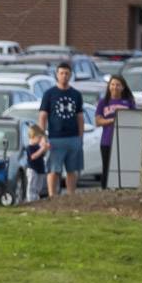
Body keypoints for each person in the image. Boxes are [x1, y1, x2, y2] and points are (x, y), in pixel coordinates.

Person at [38, 62, 84, 198]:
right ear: (57, 75)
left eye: (67, 73)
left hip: (73, 138)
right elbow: (42, 116)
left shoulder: (76, 94)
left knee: (72, 170)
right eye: (61, 73)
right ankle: (52, 196)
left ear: (70, 75)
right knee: (53, 170)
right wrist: (42, 137)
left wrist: (80, 138)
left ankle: (70, 196)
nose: (64, 76)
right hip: (55, 138)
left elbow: (80, 117)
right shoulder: (49, 94)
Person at [94, 76, 136, 189]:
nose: (115, 87)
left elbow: (134, 119)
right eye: (112, 84)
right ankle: (105, 191)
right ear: (109, 86)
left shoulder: (129, 102)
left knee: (122, 168)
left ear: (123, 87)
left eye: (118, 85)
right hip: (107, 141)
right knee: (107, 168)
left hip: (124, 141)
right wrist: (112, 120)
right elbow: (98, 121)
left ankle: (122, 189)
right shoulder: (103, 102)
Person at [24, 124, 49, 203]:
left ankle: (36, 198)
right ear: (33, 137)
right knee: (32, 186)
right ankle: (30, 200)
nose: (39, 140)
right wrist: (42, 149)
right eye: (39, 138)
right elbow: (33, 156)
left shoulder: (38, 146)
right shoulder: (30, 147)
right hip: (33, 169)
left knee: (38, 186)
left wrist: (45, 148)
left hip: (40, 169)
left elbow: (42, 155)